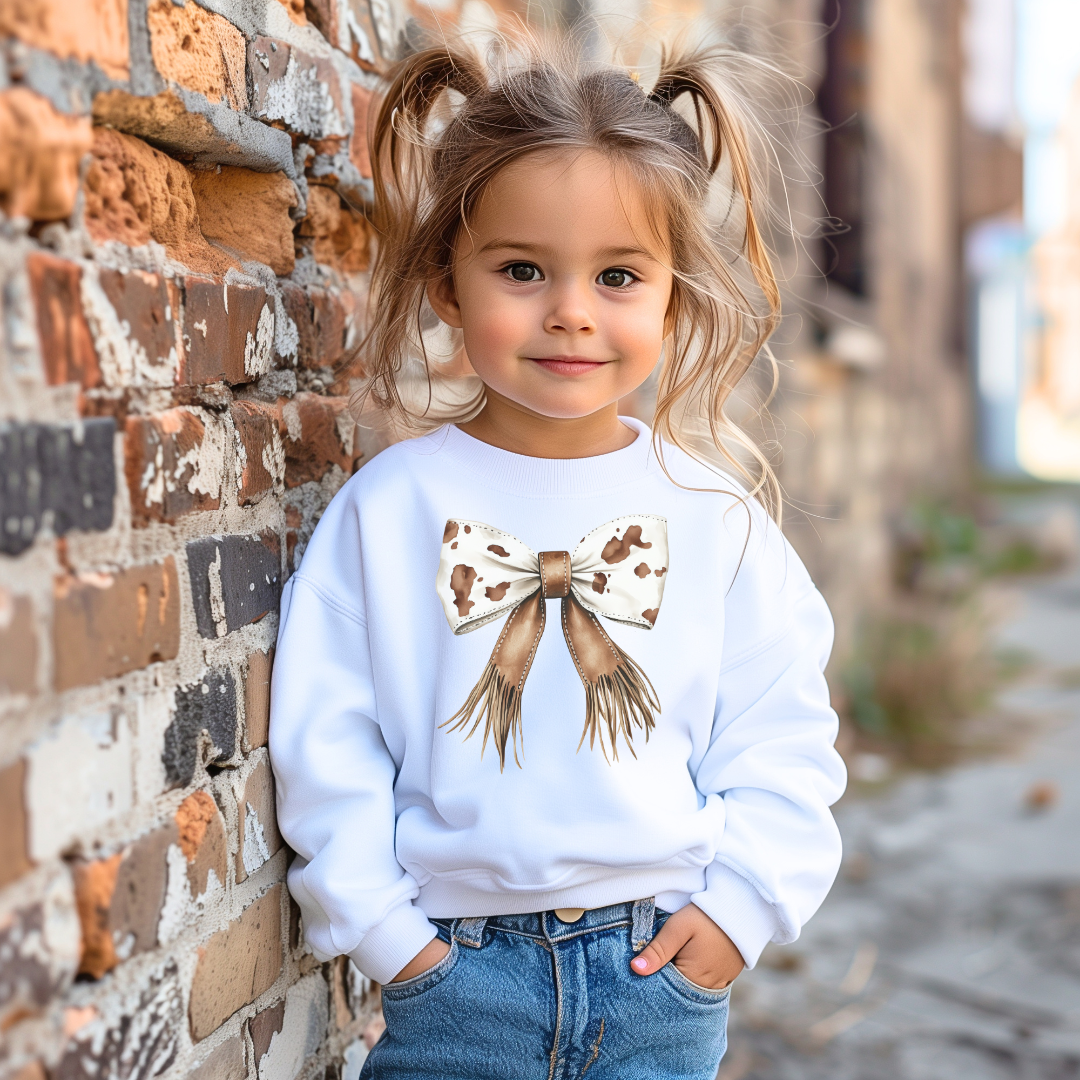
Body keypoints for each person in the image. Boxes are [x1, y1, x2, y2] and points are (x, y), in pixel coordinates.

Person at [270, 30, 846, 1080]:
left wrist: (739, 913)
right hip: (454, 987)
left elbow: (783, 736)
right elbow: (325, 735)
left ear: (675, 296)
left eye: (619, 274)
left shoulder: (710, 515)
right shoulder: (393, 508)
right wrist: (393, 941)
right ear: (447, 283)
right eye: (523, 269)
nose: (571, 311)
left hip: (659, 978)